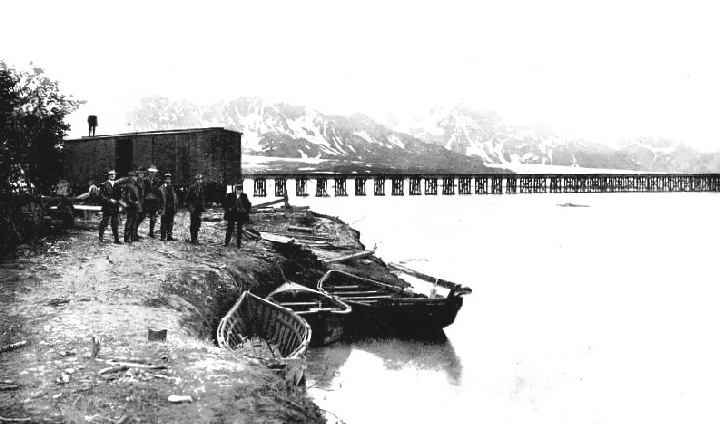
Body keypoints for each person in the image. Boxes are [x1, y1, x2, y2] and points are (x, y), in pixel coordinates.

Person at [98, 170, 122, 244]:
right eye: (111, 175)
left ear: (115, 176)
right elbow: (101, 196)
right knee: (104, 222)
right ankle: (100, 238)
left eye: (113, 175)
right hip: (107, 206)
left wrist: (117, 200)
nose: (112, 176)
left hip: (115, 207)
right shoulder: (104, 185)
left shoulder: (117, 185)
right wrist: (110, 200)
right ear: (108, 176)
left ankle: (116, 239)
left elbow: (119, 195)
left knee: (115, 223)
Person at [141, 164, 161, 238]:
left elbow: (159, 192)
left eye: (154, 172)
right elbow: (141, 191)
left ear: (155, 173)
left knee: (153, 218)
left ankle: (151, 232)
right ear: (149, 172)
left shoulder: (157, 181)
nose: (152, 174)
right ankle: (134, 231)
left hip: (154, 202)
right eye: (151, 172)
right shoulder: (144, 180)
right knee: (141, 216)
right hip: (145, 201)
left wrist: (158, 200)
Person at [185, 173, 206, 244]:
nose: (199, 181)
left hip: (199, 208)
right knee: (193, 223)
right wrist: (191, 208)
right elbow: (188, 199)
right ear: (196, 180)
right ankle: (193, 239)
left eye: (200, 180)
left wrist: (203, 207)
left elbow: (202, 198)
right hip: (193, 208)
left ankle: (196, 238)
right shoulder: (192, 187)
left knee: (198, 223)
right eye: (198, 180)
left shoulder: (201, 188)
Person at [121, 171, 140, 243]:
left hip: (135, 206)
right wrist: (133, 202)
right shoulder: (129, 185)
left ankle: (133, 237)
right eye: (135, 176)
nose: (136, 178)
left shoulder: (134, 185)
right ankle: (127, 237)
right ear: (131, 177)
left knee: (134, 221)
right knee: (130, 221)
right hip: (131, 206)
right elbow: (128, 197)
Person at [159, 173, 177, 241]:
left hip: (171, 207)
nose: (168, 180)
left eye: (169, 179)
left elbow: (175, 197)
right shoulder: (161, 188)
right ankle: (163, 237)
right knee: (163, 222)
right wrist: (160, 208)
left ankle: (169, 236)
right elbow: (159, 199)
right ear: (164, 180)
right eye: (167, 179)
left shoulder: (172, 187)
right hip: (164, 207)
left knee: (170, 222)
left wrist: (175, 206)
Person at [133, 166, 146, 240]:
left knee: (140, 218)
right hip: (136, 202)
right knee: (135, 218)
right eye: (140, 173)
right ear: (138, 173)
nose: (142, 174)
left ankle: (135, 233)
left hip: (141, 202)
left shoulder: (142, 181)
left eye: (143, 173)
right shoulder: (135, 180)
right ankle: (133, 235)